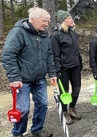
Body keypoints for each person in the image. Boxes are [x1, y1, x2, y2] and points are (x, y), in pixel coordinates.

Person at [1, 7, 57, 137]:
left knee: (43, 105)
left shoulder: (43, 34)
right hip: (22, 80)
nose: (47, 24)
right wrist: (14, 78)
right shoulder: (18, 33)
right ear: (33, 19)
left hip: (39, 79)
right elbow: (8, 56)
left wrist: (52, 74)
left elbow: (49, 55)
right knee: (23, 110)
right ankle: (18, 133)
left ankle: (37, 130)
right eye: (44, 21)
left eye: (48, 21)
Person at [51, 10, 82, 125]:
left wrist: (80, 61)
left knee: (77, 88)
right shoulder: (56, 35)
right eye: (69, 18)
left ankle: (72, 108)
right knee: (65, 92)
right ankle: (65, 112)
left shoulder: (73, 33)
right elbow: (55, 54)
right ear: (63, 21)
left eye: (71, 18)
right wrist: (57, 69)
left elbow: (76, 50)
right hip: (63, 68)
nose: (72, 20)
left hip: (75, 66)